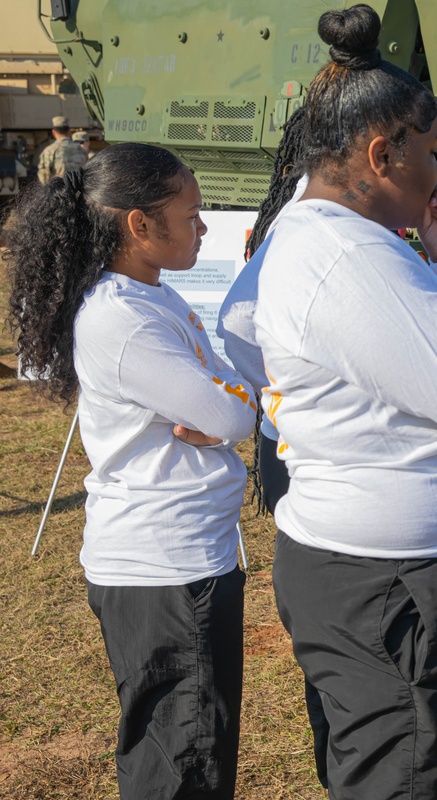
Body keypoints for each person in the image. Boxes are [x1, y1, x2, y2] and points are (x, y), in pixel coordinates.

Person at [252, 5, 437, 797]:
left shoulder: (334, 238)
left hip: (397, 582)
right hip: (398, 593)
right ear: (382, 153)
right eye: (431, 154)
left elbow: (406, 353)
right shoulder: (346, 257)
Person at [4, 142, 257, 799]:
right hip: (168, 572)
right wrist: (231, 399)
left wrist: (231, 397)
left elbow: (230, 396)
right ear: (140, 225)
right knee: (181, 763)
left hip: (183, 561)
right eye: (193, 214)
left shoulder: (151, 298)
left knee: (185, 746)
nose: (204, 227)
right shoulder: (123, 320)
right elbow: (230, 415)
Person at [35, 115, 87, 183]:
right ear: (69, 131)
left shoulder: (49, 151)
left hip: (59, 191)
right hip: (79, 191)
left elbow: (44, 177)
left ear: (53, 132)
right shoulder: (81, 150)